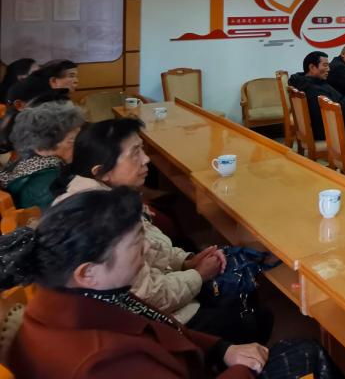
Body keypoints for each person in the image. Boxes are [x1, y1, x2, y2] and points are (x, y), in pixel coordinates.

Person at [1, 187, 339, 379]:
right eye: (136, 243)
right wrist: (242, 370)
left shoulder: (77, 298)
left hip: (196, 362)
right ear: (87, 271)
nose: (146, 250)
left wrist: (224, 348)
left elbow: (161, 328)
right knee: (308, 354)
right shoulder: (102, 360)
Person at [51, 118, 273, 345]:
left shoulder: (108, 196)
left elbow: (153, 246)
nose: (146, 159)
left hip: (165, 291)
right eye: (135, 153)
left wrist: (187, 262)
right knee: (255, 317)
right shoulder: (98, 220)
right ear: (101, 172)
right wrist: (199, 275)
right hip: (159, 323)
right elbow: (148, 297)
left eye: (142, 149)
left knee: (243, 295)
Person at [0, 97, 83, 208]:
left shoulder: (25, 162)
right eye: (72, 140)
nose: (81, 143)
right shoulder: (51, 184)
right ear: (43, 148)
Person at [288, 51, 341, 139]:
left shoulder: (303, 82)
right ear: (312, 67)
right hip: (327, 132)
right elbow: (328, 117)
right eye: (325, 65)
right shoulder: (314, 90)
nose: (328, 69)